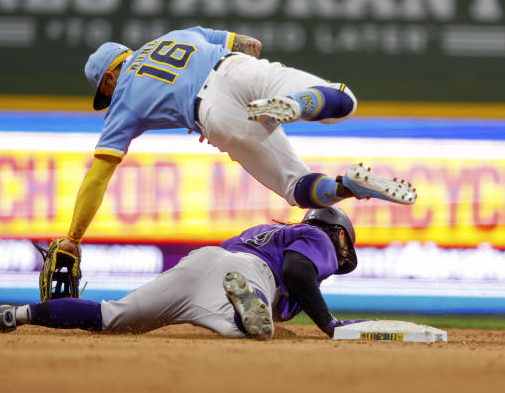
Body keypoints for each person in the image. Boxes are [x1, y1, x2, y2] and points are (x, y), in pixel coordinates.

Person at [54, 26, 416, 260]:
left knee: (297, 188)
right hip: (236, 68)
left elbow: (97, 177)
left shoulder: (122, 100)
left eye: (104, 88)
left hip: (213, 113)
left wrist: (74, 236)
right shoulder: (175, 36)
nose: (107, 94)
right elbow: (250, 45)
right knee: (342, 99)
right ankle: (298, 105)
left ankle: (347, 186)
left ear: (110, 76)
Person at [0, 207, 367, 340]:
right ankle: (243, 313)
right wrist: (328, 324)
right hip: (250, 273)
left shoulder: (271, 232)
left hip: (205, 262)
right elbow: (298, 271)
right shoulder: (319, 235)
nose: (342, 256)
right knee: (254, 332)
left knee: (111, 318)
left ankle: (10, 315)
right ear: (338, 232)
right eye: (345, 245)